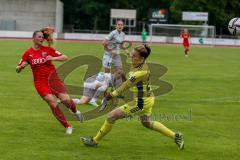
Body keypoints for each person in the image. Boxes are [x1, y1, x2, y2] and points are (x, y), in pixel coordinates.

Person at [81, 44, 184, 150]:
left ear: (142, 58)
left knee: (111, 116)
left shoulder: (141, 71)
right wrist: (122, 76)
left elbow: (126, 85)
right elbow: (129, 82)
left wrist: (111, 95)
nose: (131, 57)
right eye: (132, 54)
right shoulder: (137, 65)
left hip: (141, 102)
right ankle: (176, 136)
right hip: (147, 99)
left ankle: (95, 140)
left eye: (134, 56)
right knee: (147, 123)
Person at [16, 30, 83, 134]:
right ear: (33, 38)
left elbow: (65, 57)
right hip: (40, 83)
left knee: (65, 100)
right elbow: (17, 68)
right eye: (39, 37)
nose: (41, 39)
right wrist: (21, 67)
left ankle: (75, 111)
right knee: (53, 103)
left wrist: (52, 58)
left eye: (42, 37)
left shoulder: (48, 50)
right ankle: (67, 126)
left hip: (53, 79)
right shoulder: (28, 53)